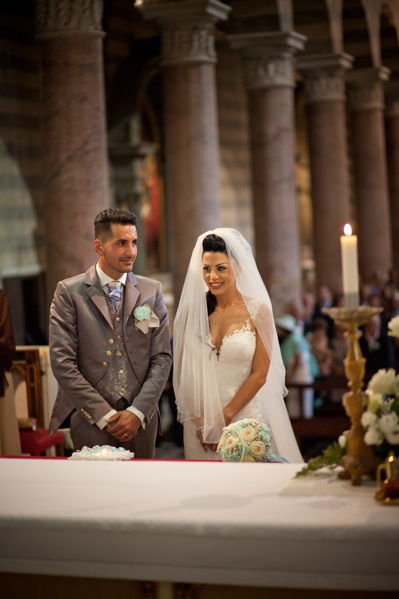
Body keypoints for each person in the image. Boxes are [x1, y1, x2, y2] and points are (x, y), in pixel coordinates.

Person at [49, 208, 172, 458]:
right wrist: (104, 415)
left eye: (134, 243)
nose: (131, 252)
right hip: (89, 419)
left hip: (140, 421)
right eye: (121, 243)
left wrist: (137, 412)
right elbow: (62, 362)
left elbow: (162, 358)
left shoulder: (152, 291)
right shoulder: (69, 292)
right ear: (99, 246)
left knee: (143, 492)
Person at [173, 228, 303, 463]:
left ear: (239, 267)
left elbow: (260, 374)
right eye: (207, 269)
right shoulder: (194, 314)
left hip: (243, 421)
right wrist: (202, 421)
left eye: (221, 268)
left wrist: (224, 418)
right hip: (200, 425)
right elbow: (184, 372)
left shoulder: (258, 311)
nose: (213, 276)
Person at [275, 314, 316, 419]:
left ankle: (304, 424)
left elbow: (299, 356)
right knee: (294, 399)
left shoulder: (295, 338)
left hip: (300, 373)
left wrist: (290, 374)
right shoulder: (289, 340)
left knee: (302, 400)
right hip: (294, 372)